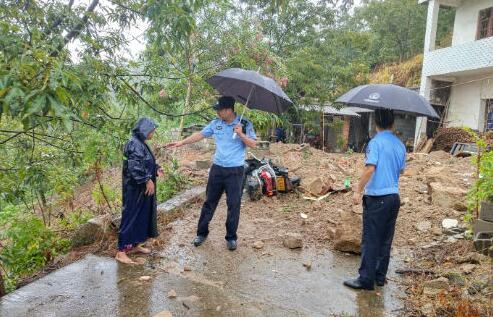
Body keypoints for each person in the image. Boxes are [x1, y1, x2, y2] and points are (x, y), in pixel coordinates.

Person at [166, 96, 257, 251]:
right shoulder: (216, 123)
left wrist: (241, 134)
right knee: (209, 202)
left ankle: (231, 237)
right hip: (217, 169)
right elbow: (200, 135)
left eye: (219, 110)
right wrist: (181, 142)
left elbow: (253, 144)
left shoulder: (245, 124)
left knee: (233, 205)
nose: (217, 113)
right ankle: (201, 233)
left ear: (228, 110)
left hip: (235, 170)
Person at [344, 109, 406, 290]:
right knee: (386, 239)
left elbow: (370, 168)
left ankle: (365, 280)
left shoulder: (375, 142)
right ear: (393, 124)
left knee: (371, 238)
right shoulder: (400, 145)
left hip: (377, 197)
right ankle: (379, 277)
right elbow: (401, 170)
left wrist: (358, 190)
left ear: (375, 124)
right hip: (394, 197)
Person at [116, 117, 164, 264]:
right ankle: (121, 251)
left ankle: (135, 245)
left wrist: (156, 169)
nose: (153, 133)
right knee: (131, 217)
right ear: (144, 131)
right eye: (152, 130)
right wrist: (146, 180)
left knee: (141, 217)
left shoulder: (141, 143)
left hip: (141, 190)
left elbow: (146, 162)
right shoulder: (134, 144)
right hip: (134, 189)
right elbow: (135, 166)